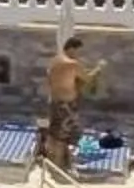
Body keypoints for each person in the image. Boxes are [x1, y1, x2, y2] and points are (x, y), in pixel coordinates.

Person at [43, 36, 104, 167]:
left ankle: (51, 161)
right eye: (77, 51)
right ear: (71, 48)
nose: (78, 55)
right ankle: (57, 165)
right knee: (63, 135)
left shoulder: (55, 60)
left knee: (53, 132)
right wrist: (98, 68)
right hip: (67, 104)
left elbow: (51, 79)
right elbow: (87, 78)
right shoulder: (72, 64)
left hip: (54, 101)